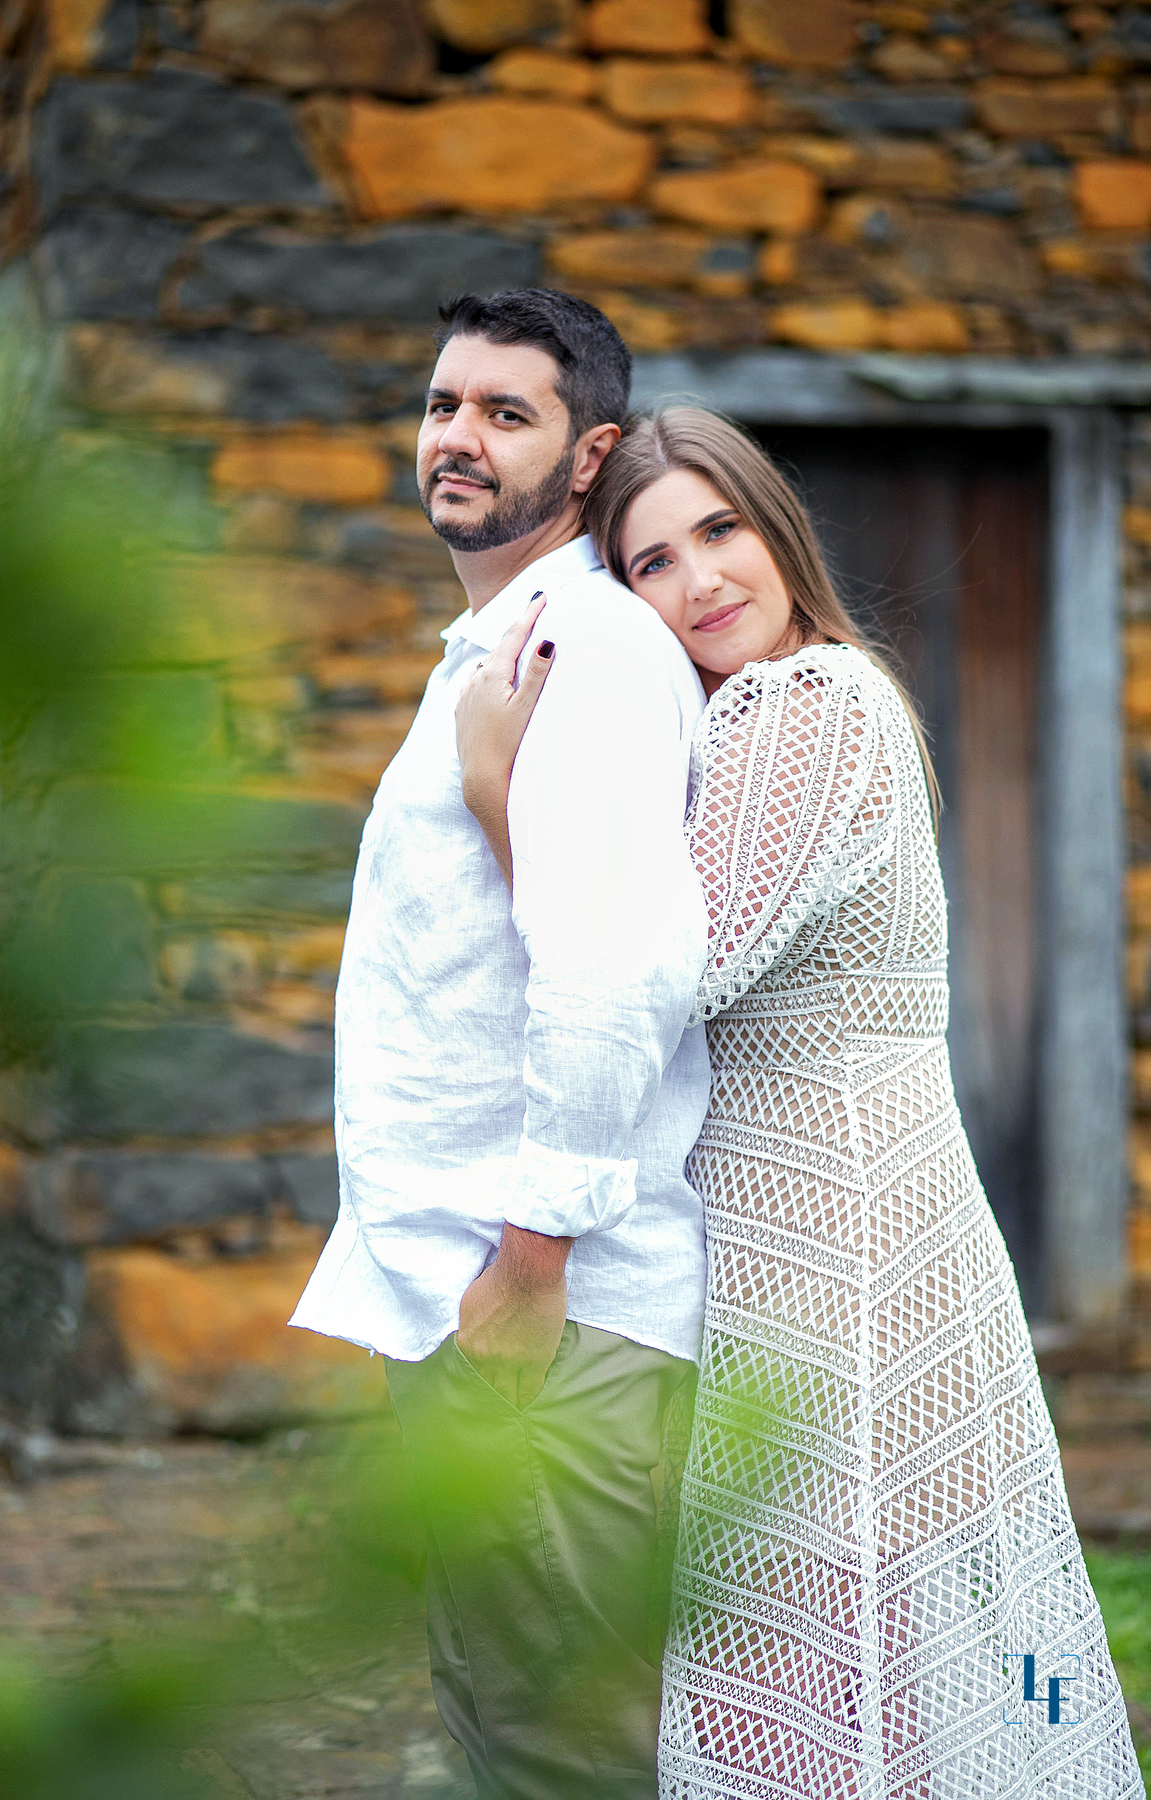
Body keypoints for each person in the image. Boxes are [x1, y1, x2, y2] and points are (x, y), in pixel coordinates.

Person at [456, 406, 1142, 1799]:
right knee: (890, 1634)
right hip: (857, 1209)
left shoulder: (805, 702)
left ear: (778, 530)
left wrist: (491, 790)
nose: (700, 581)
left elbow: (661, 968)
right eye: (652, 563)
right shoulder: (796, 707)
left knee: (824, 1631)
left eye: (720, 531)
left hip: (840, 1234)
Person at [290, 293, 716, 1800]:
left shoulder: (589, 649)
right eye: (442, 404)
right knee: (496, 1714)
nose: (457, 437)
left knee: (560, 1749)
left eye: (506, 412)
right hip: (474, 1286)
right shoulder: (496, 648)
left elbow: (616, 967)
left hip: (545, 1300)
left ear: (590, 455)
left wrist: (532, 1260)